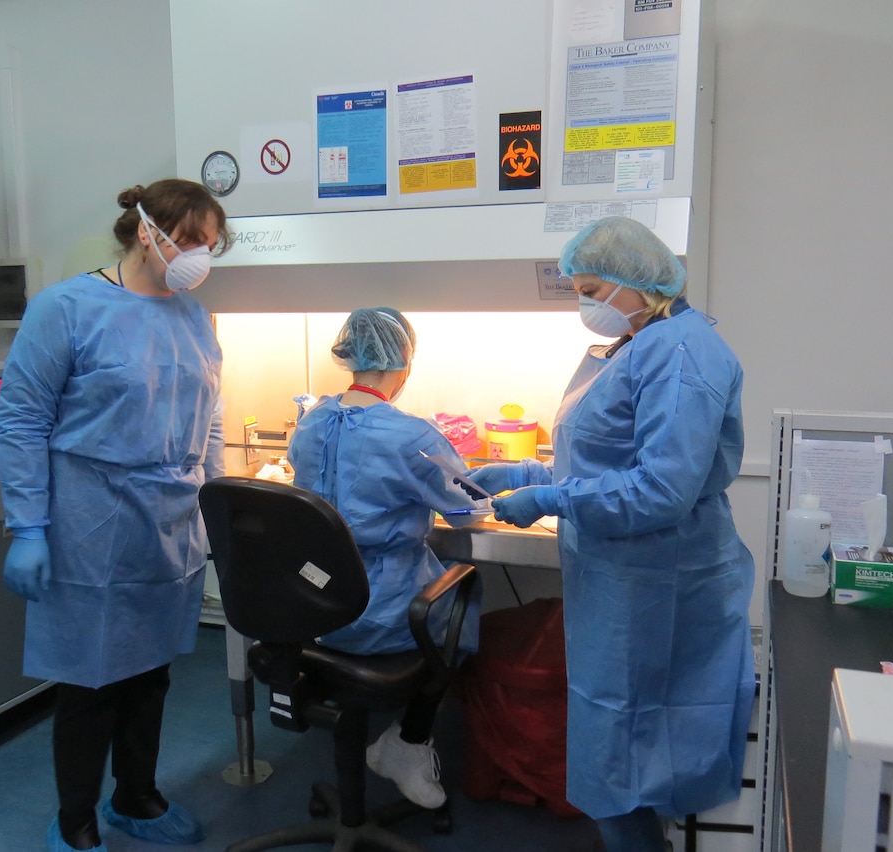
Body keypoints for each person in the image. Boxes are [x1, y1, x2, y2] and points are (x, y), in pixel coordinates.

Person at [462, 217, 756, 851]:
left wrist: (548, 498)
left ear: (637, 281)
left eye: (592, 289)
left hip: (658, 581)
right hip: (620, 580)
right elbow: (605, 458)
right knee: (618, 746)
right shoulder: (636, 344)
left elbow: (660, 490)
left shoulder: (679, 353)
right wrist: (527, 470)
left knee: (628, 754)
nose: (584, 304)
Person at [0, 178, 229, 852]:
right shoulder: (66, 309)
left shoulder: (195, 316)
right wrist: (28, 527)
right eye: (189, 241)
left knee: (151, 673)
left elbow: (208, 418)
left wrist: (215, 504)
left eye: (210, 246)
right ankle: (76, 818)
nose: (198, 257)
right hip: (90, 524)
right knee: (89, 680)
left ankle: (137, 795)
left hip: (169, 525)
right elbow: (20, 421)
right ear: (144, 230)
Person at [287, 307, 483, 810]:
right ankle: (409, 740)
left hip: (313, 605)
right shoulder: (412, 436)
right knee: (467, 603)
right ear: (404, 362)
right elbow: (466, 511)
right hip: (382, 612)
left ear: (350, 356)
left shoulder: (310, 422)